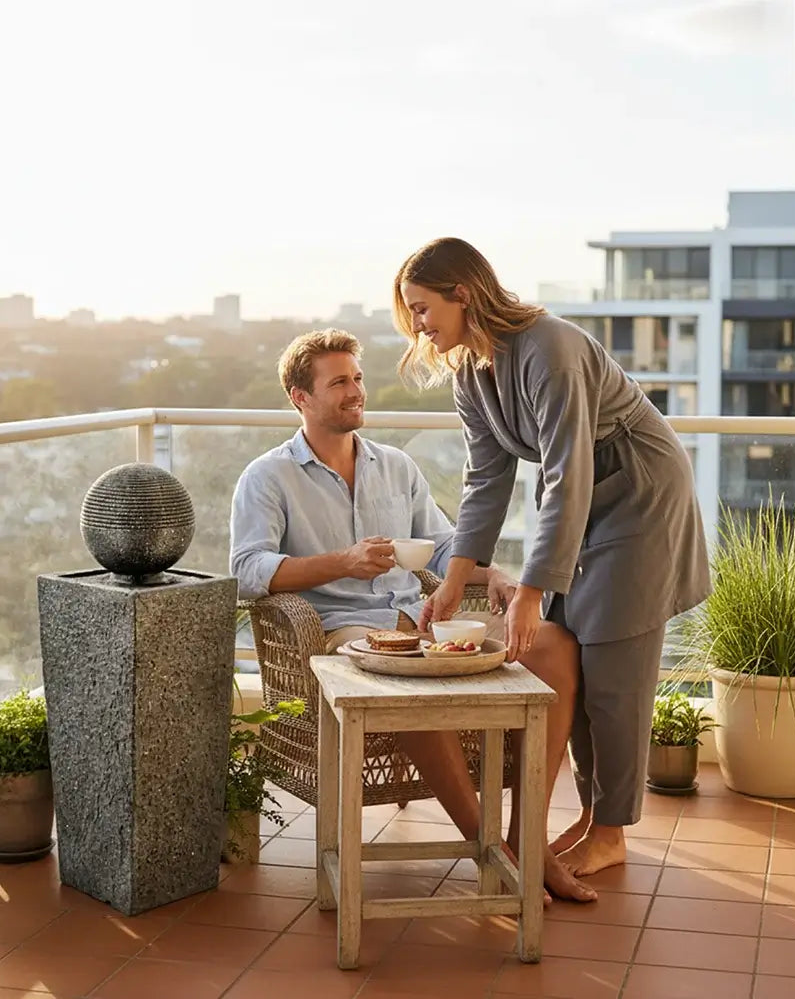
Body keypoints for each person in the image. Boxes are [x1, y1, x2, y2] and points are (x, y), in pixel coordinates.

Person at [229, 327, 597, 902]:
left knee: (553, 643)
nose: (356, 392)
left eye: (357, 378)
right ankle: (490, 845)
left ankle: (529, 839)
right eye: (338, 383)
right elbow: (247, 570)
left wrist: (496, 575)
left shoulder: (396, 466)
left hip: (418, 619)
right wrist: (341, 563)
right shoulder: (266, 477)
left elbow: (447, 547)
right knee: (401, 678)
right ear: (300, 398)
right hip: (344, 633)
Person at [394, 238, 711, 877]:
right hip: (580, 498)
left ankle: (611, 827)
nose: (419, 327)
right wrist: (455, 583)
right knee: (579, 655)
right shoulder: (470, 374)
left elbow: (567, 472)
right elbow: (485, 479)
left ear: (464, 293)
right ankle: (597, 817)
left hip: (637, 491)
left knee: (611, 660)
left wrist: (533, 593)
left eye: (423, 309)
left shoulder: (550, 349)